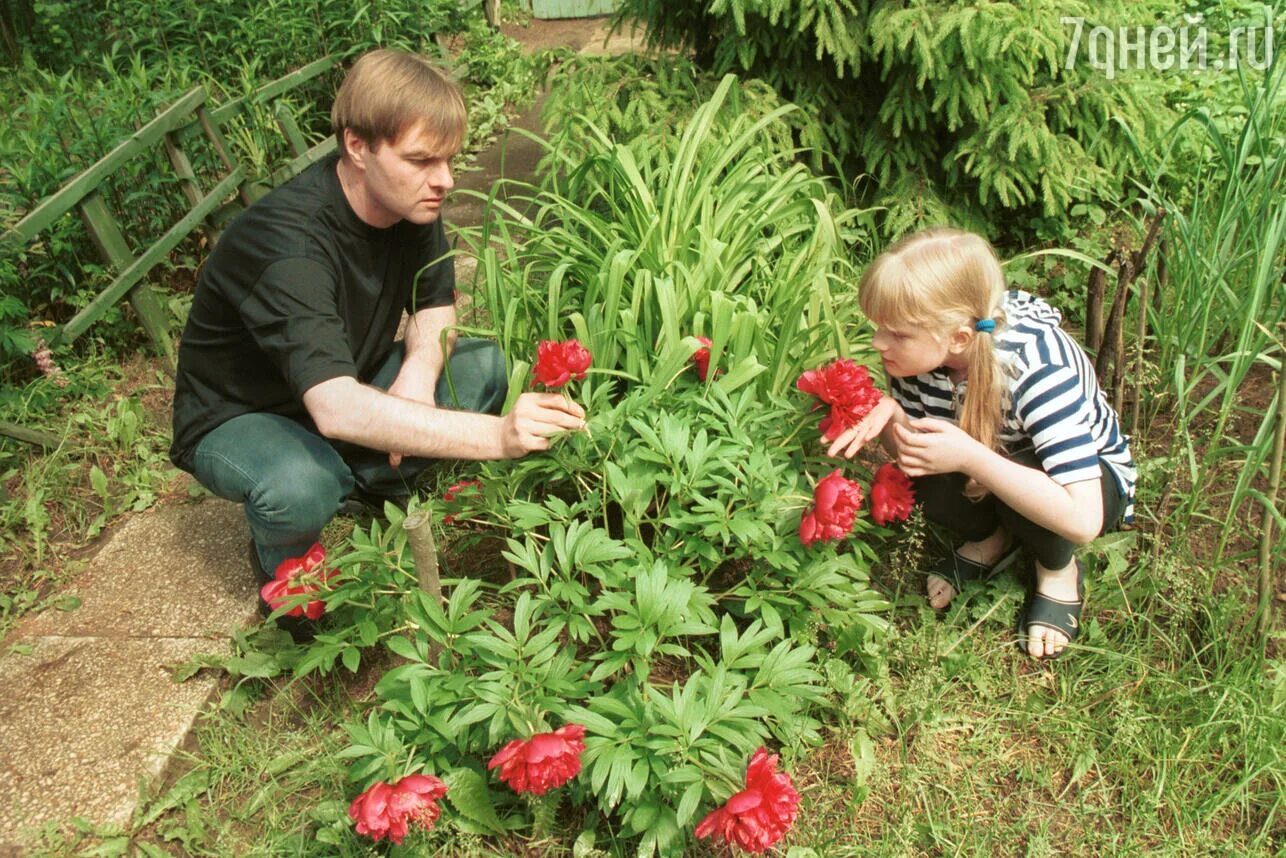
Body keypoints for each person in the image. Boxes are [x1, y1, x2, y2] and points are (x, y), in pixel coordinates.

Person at [169, 49, 585, 626]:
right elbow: (337, 407)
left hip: (342, 385)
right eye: (420, 160)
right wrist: (500, 436)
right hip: (243, 417)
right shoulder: (287, 244)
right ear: (357, 147)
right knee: (298, 485)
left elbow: (438, 304)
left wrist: (414, 380)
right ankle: (288, 583)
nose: (444, 180)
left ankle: (361, 478)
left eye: (448, 159)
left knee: (481, 366)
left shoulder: (410, 201)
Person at [827, 227, 1135, 660]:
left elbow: (1084, 517)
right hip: (991, 461)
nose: (878, 343)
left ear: (958, 338)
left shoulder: (1038, 367)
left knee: (1023, 474)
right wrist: (894, 419)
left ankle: (1057, 570)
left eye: (896, 333)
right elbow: (918, 454)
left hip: (1085, 484)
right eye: (879, 328)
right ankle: (991, 540)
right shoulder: (923, 360)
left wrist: (972, 457)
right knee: (923, 471)